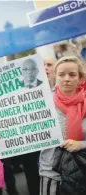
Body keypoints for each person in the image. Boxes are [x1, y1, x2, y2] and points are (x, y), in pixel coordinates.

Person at [39, 56, 86, 195]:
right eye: (61, 74)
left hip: (83, 172)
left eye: (72, 75)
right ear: (55, 76)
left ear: (80, 77)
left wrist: (81, 144)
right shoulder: (42, 101)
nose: (67, 79)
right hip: (52, 174)